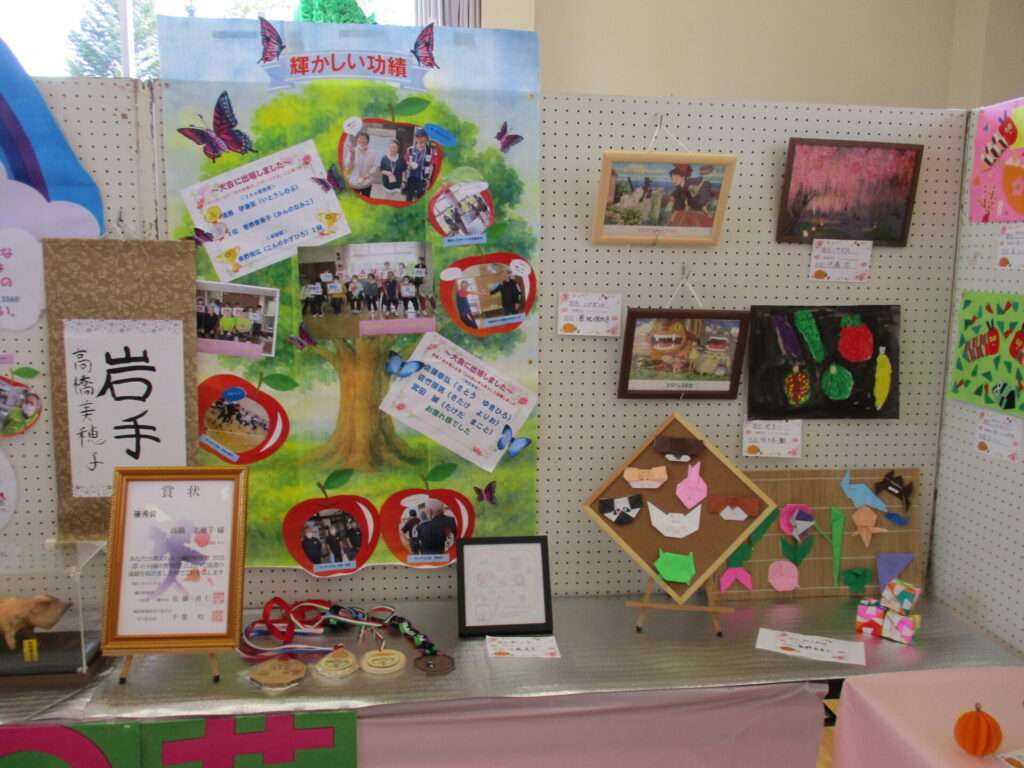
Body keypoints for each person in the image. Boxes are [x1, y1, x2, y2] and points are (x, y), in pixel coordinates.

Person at [403, 128, 434, 201]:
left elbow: (431, 166)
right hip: (411, 178)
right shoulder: (410, 149)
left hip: (422, 178)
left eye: (421, 137)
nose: (419, 139)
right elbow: (405, 161)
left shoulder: (429, 151)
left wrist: (428, 179)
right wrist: (411, 164)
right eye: (417, 137)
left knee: (420, 198)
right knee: (409, 198)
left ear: (425, 138)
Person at [344, 130, 376, 196]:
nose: (362, 140)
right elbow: (348, 166)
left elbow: (374, 167)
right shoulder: (352, 150)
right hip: (354, 183)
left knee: (366, 199)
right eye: (360, 138)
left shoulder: (372, 153)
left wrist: (365, 176)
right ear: (357, 140)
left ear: (368, 141)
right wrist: (352, 155)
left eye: (364, 139)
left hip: (366, 183)